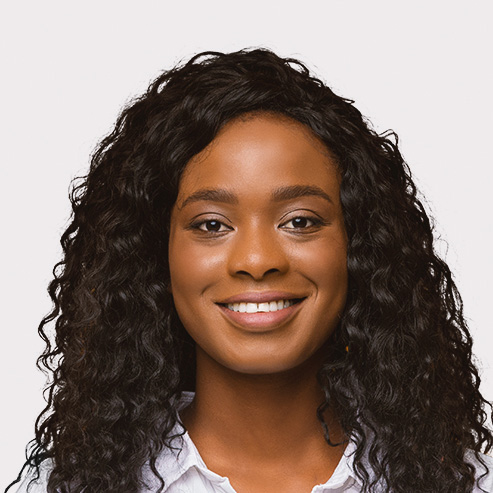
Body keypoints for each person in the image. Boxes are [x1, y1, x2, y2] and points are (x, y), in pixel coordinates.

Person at [6, 48, 493, 493]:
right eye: (212, 224)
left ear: (358, 247)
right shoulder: (65, 486)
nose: (257, 261)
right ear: (157, 256)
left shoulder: (461, 482)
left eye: (300, 221)